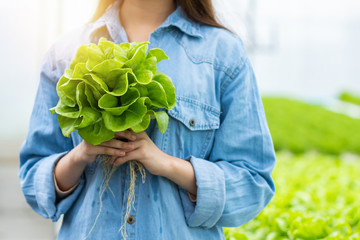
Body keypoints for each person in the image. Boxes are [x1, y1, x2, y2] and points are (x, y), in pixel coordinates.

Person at [19, 0, 276, 239]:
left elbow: (252, 184)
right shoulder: (64, 53)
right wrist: (82, 153)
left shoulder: (223, 54)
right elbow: (33, 179)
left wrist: (167, 164)